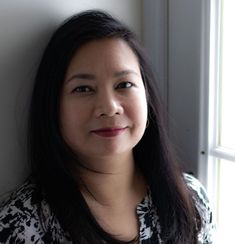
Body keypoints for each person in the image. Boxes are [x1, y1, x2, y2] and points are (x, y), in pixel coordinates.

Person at [0, 10, 214, 243]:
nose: (109, 107)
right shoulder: (21, 226)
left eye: (124, 84)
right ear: (53, 104)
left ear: (146, 95)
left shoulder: (191, 200)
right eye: (83, 89)